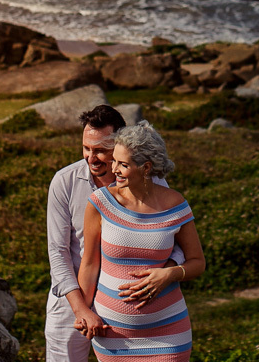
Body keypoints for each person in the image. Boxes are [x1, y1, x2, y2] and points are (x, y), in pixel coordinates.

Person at [45, 106, 183, 362]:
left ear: (121, 144)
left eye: (100, 150)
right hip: (71, 298)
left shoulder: (151, 182)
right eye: (86, 148)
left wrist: (166, 273)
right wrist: (80, 309)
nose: (91, 157)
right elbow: (58, 251)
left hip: (132, 307)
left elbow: (173, 238)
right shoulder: (64, 182)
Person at [75, 122, 206, 362]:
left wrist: (170, 274)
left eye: (123, 164)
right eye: (114, 160)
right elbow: (90, 264)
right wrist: (83, 311)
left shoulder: (176, 205)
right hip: (113, 336)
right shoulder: (99, 202)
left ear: (146, 168)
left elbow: (198, 262)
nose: (113, 169)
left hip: (169, 335)